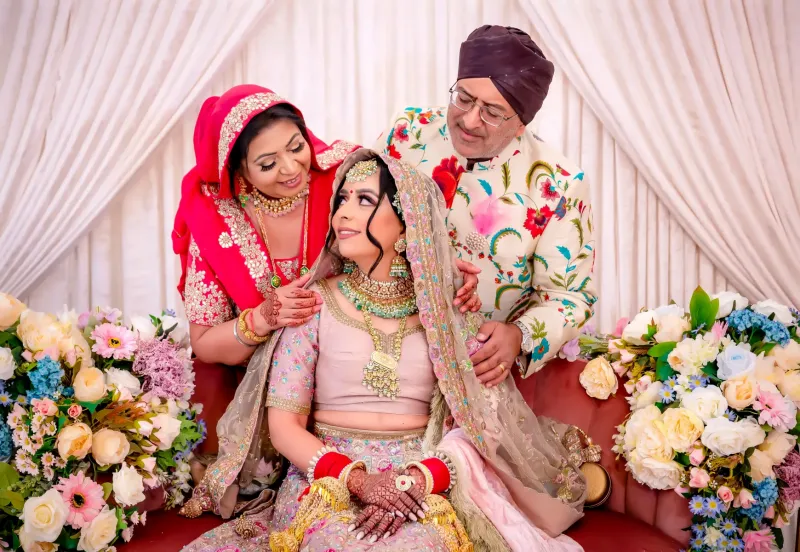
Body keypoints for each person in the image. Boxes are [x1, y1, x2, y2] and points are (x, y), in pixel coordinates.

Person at [179, 150, 587, 552]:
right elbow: (284, 428)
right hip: (324, 476)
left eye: (365, 201)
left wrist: (414, 481)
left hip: (420, 478)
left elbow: (477, 425)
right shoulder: (314, 306)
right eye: (342, 200)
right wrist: (358, 481)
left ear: (407, 223)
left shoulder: (446, 314)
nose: (342, 214)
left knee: (420, 545)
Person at [374, 25, 598, 384]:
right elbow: (354, 210)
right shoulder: (409, 131)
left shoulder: (558, 184)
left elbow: (569, 297)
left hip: (472, 371)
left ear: (522, 122)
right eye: (463, 97)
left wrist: (520, 336)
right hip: (376, 336)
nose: (468, 119)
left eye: (492, 112)